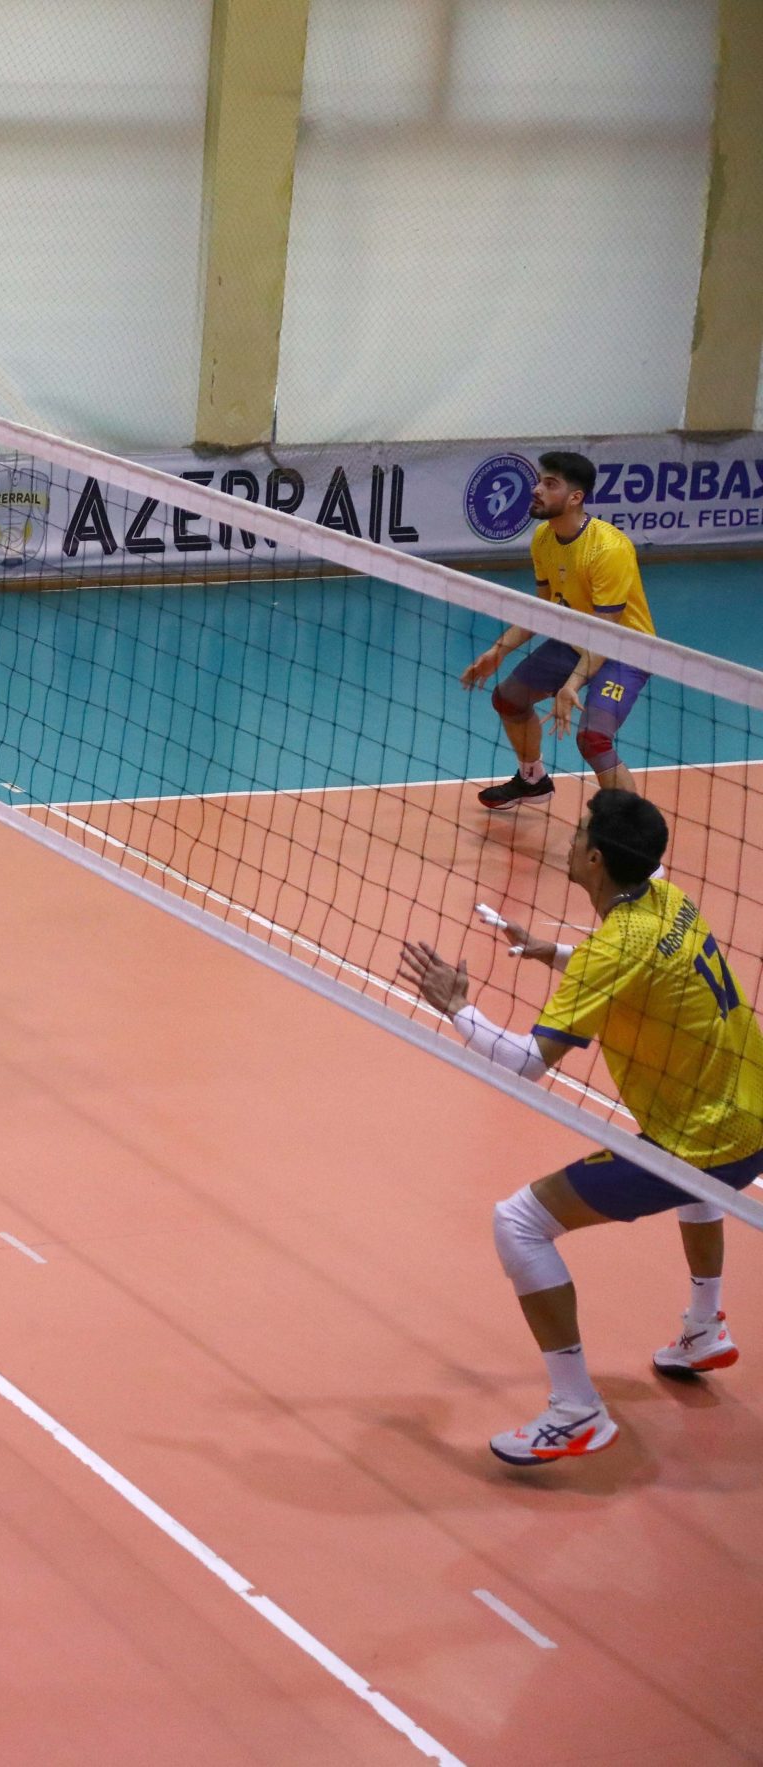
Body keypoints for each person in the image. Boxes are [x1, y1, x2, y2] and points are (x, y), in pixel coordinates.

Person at [397, 788, 760, 1466]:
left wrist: (458, 1007)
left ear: (595, 859)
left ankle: (575, 1411)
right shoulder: (669, 899)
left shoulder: (613, 949)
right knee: (694, 1175)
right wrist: (554, 953)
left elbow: (526, 1063)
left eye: (578, 832)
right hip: (750, 1109)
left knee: (518, 1222)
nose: (567, 839)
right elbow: (637, 967)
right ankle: (704, 1328)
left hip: (703, 1145)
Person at [460, 450, 655, 808]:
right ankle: (532, 781)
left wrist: (572, 684)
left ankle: (631, 839)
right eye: (539, 481)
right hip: (576, 639)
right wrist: (498, 651)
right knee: (508, 698)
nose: (536, 489)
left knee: (593, 739)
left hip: (625, 650)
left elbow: (606, 633)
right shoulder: (544, 538)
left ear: (575, 497)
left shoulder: (608, 549)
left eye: (550, 484)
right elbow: (545, 610)